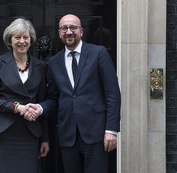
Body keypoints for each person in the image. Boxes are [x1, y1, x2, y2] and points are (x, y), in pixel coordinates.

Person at [24, 14, 121, 173]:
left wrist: (111, 130)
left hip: (96, 133)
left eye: (73, 28)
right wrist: (40, 108)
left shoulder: (99, 53)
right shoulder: (54, 62)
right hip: (68, 135)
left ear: (81, 31)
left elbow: (112, 94)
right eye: (64, 28)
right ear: (60, 33)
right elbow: (54, 98)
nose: (69, 32)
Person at [0, 18, 49, 173]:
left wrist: (45, 138)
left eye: (25, 37)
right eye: (17, 37)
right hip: (3, 133)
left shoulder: (40, 67)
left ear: (31, 40)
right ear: (10, 40)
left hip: (29, 134)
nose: (22, 41)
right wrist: (17, 108)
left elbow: (42, 102)